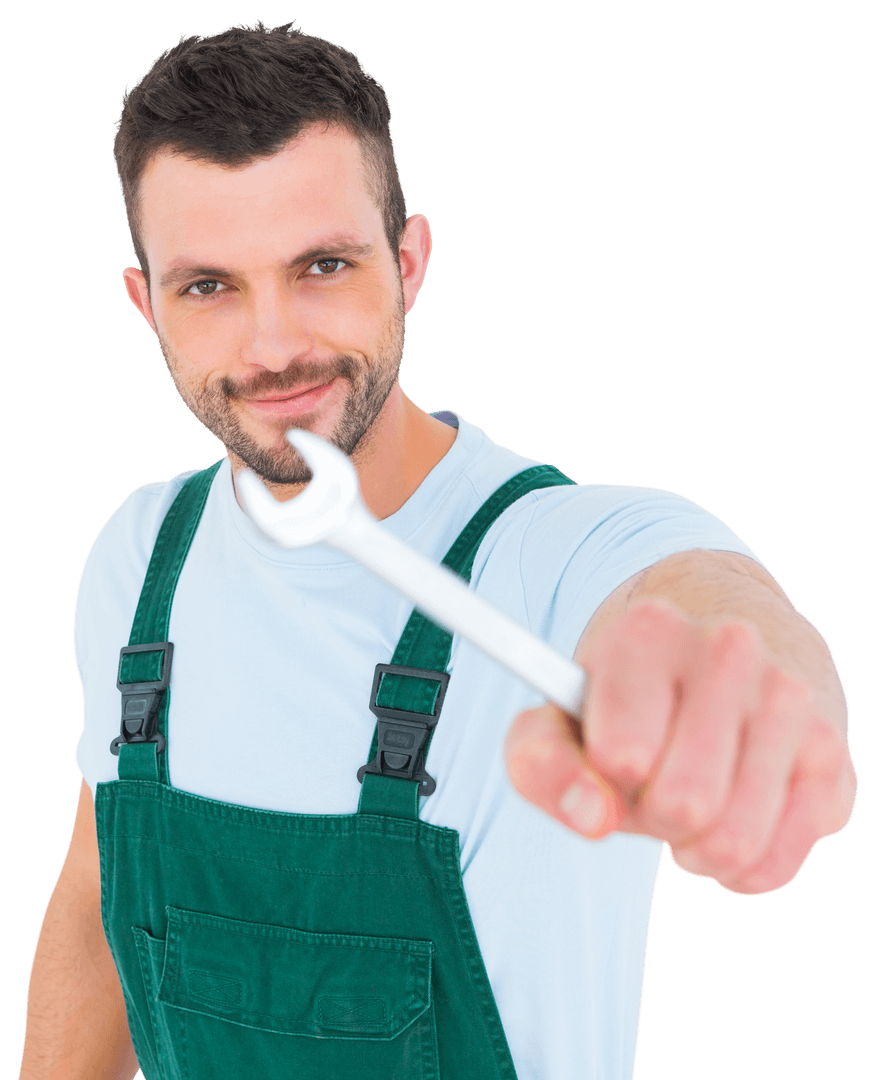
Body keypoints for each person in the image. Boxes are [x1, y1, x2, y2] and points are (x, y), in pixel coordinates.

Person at [19, 20, 857, 1080]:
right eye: (209, 286)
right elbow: (99, 910)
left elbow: (706, 599)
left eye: (322, 265)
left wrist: (745, 701)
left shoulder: (549, 555)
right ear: (147, 304)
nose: (273, 346)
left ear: (407, 263)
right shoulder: (140, 557)